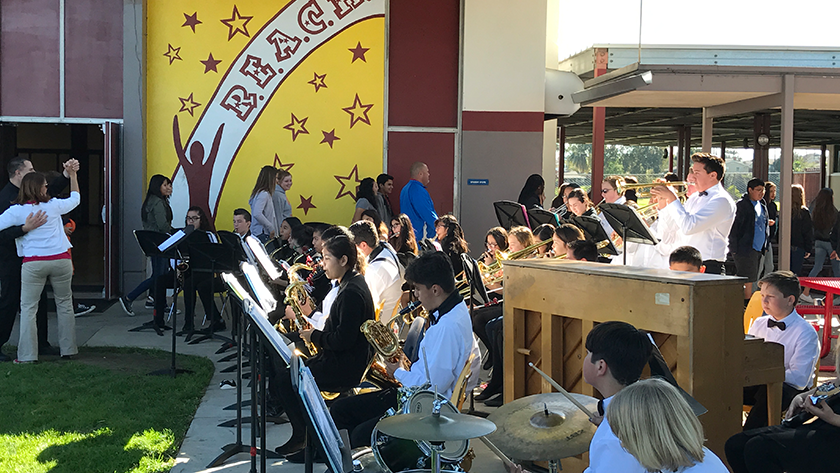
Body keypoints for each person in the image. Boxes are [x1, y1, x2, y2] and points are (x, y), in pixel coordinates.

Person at [330, 251, 480, 448]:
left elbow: (433, 387)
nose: (415, 295)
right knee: (341, 409)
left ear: (435, 290)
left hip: (424, 407)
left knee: (357, 432)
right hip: (419, 394)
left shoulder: (447, 327)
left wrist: (399, 373)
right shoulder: (456, 308)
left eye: (417, 289)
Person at [273, 235, 375, 459]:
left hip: (346, 366)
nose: (323, 264)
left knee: (286, 380)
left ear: (344, 260)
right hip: (340, 359)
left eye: (327, 258)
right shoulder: (349, 283)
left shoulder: (350, 292)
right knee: (286, 375)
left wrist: (314, 336)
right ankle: (306, 437)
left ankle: (309, 441)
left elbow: (342, 340)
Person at [0, 168, 81, 363]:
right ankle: (68, 349)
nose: (47, 188)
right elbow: (76, 198)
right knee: (65, 305)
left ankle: (28, 355)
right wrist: (73, 176)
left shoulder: (17, 211)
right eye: (45, 186)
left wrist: (24, 229)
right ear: (40, 189)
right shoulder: (53, 206)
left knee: (28, 308)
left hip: (34, 262)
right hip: (61, 260)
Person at [725, 355, 840, 473]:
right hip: (821, 426)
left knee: (759, 449)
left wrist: (831, 417)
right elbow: (837, 383)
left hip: (834, 436)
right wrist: (803, 397)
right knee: (735, 445)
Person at [743, 271, 820, 430]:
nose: (764, 301)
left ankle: (749, 435)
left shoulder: (805, 332)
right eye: (762, 295)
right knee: (725, 386)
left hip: (790, 388)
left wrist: (767, 374)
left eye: (770, 297)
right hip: (760, 381)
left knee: (771, 392)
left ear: (790, 300)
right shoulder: (759, 323)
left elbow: (799, 379)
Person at [607, 378, 728, 473]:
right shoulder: (668, 464)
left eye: (626, 435)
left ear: (649, 434)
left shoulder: (702, 470)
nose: (623, 444)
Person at [582, 321, 652, 473]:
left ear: (600, 366)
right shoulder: (652, 409)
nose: (584, 358)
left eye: (588, 353)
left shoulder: (613, 441)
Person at [650, 153, 736, 275]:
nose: (691, 177)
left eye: (697, 173)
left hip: (708, 266)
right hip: (684, 264)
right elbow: (671, 233)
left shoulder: (721, 200)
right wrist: (664, 204)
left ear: (713, 175)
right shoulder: (694, 197)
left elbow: (689, 227)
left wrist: (672, 197)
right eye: (692, 172)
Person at [119, 174, 176, 324]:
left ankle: (159, 303)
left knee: (160, 274)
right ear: (157, 187)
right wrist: (173, 232)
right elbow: (162, 226)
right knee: (159, 276)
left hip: (154, 243)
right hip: (160, 243)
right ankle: (129, 297)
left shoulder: (152, 200)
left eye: (169, 185)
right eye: (165, 185)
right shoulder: (157, 203)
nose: (169, 188)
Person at [180, 206, 226, 333]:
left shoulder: (209, 235)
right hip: (189, 271)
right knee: (184, 282)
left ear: (201, 220)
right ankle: (188, 322)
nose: (191, 221)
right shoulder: (183, 235)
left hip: (207, 271)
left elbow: (217, 253)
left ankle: (190, 323)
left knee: (192, 284)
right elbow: (178, 256)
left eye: (195, 218)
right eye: (189, 218)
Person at [349, 220, 403, 325]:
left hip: (380, 329)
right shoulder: (386, 248)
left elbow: (365, 307)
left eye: (352, 247)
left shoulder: (374, 270)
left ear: (363, 245)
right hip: (390, 317)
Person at [729, 178, 770, 302]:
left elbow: (764, 223)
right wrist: (734, 248)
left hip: (759, 247)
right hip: (745, 247)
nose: (761, 193)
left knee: (753, 275)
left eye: (763, 190)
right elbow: (735, 228)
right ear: (750, 190)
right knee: (747, 277)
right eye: (758, 190)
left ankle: (746, 299)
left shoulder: (762, 204)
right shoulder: (742, 205)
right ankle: (745, 301)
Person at [800, 187, 840, 303]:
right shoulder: (833, 212)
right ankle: (836, 295)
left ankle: (806, 291)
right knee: (837, 269)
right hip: (830, 243)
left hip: (818, 242)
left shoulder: (815, 209)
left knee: (817, 267)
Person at [399, 161, 438, 240]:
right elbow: (427, 213)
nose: (428, 175)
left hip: (409, 237)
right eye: (427, 172)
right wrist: (440, 228)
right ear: (420, 174)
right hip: (419, 239)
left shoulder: (405, 189)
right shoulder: (418, 191)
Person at [788, 184, 813, 276]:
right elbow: (807, 231)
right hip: (799, 246)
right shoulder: (804, 212)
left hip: (786, 245)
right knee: (795, 272)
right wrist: (808, 248)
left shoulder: (786, 210)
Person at [249, 166, 277, 243]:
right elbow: (257, 213)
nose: (276, 181)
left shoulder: (258, 193)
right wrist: (270, 227)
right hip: (262, 233)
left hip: (259, 232)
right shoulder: (264, 194)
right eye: (276, 178)